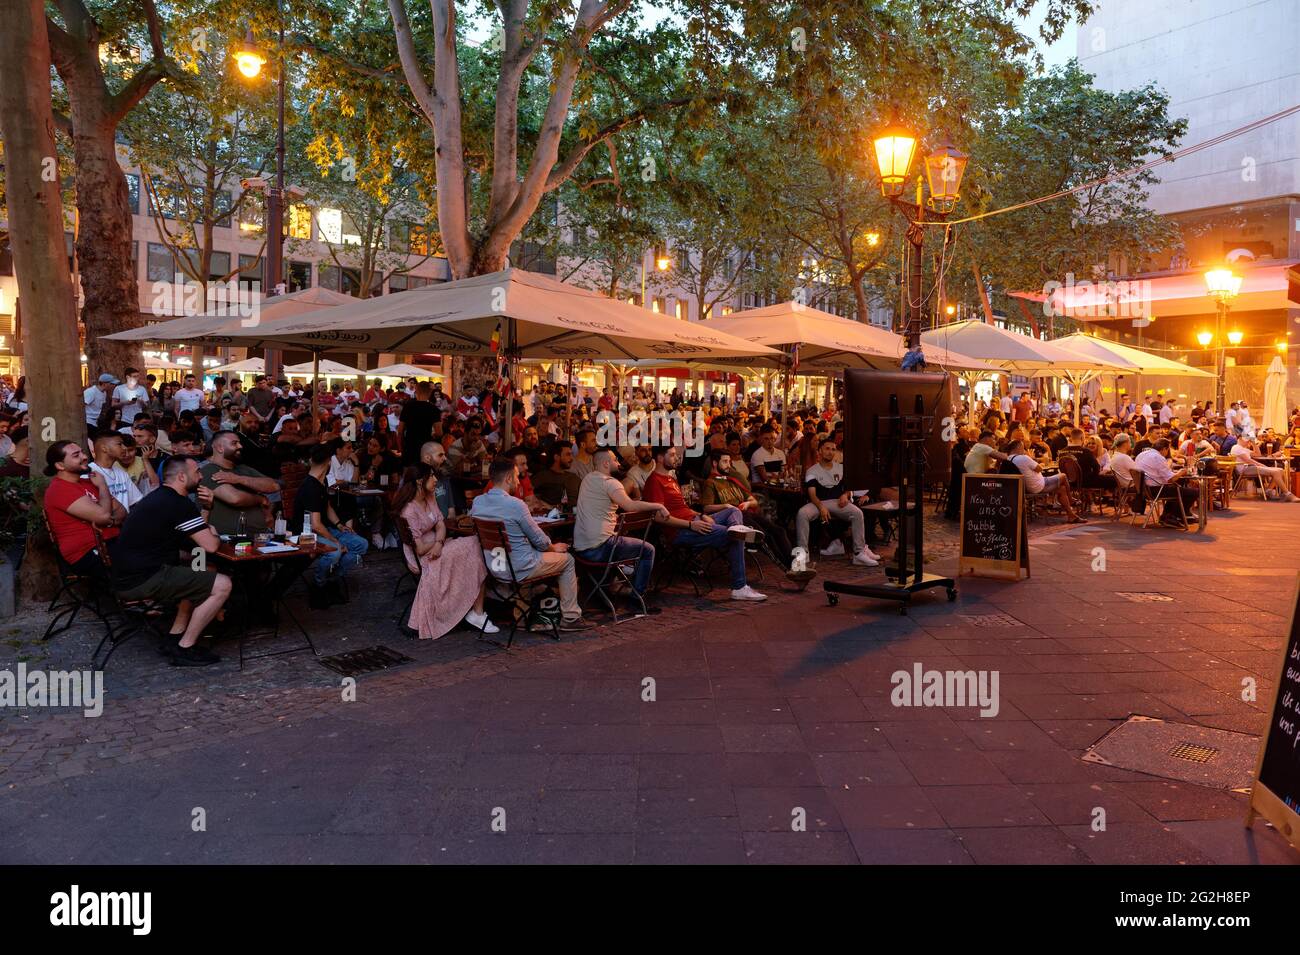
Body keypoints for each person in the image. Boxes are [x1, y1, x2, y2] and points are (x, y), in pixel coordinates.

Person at [110, 456, 230, 666]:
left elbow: (194, 541)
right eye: (197, 473)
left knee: (200, 570)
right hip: (142, 579)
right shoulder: (178, 503)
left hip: (128, 576)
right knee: (222, 584)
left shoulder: (161, 497)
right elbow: (209, 545)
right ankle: (185, 647)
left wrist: (206, 509)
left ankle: (174, 637)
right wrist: (214, 533)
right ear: (182, 477)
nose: (201, 477)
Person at [470, 457, 591, 631]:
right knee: (568, 560)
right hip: (519, 568)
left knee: (525, 555)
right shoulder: (516, 505)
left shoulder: (478, 502)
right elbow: (540, 540)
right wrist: (553, 548)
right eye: (517, 476)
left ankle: (521, 617)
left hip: (495, 567)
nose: (519, 480)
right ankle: (571, 617)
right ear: (509, 478)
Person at [642, 444, 766, 601]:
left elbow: (683, 508)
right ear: (660, 458)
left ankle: (737, 528)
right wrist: (691, 524)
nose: (676, 458)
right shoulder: (654, 481)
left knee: (733, 511)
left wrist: (700, 514)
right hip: (681, 531)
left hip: (695, 520)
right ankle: (739, 587)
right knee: (736, 537)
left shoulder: (671, 478)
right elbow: (657, 517)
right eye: (672, 455)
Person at [393, 463, 497, 638]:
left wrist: (439, 542)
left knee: (474, 545)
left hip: (436, 544)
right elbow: (419, 549)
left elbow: (441, 524)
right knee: (474, 545)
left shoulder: (429, 496)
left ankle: (474, 610)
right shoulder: (409, 510)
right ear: (420, 481)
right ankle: (475, 611)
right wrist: (436, 544)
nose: (435, 480)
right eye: (431, 476)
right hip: (421, 555)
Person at [573, 448, 669, 609]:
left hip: (581, 548)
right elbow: (630, 506)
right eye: (614, 460)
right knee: (648, 550)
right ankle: (636, 600)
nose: (618, 462)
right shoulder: (610, 483)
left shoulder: (588, 479)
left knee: (619, 543)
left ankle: (605, 592)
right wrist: (658, 505)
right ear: (605, 463)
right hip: (600, 549)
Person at [293, 444, 370, 607]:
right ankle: (319, 584)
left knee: (361, 544)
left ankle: (331, 580)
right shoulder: (310, 487)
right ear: (328, 462)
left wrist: (340, 525)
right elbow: (315, 525)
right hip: (306, 535)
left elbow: (327, 507)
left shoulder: (323, 481)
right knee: (334, 552)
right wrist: (337, 542)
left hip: (325, 529)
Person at [42, 440, 126, 578]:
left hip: (112, 542)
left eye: (82, 451)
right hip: (86, 552)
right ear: (60, 465)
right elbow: (104, 516)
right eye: (76, 455)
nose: (84, 456)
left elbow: (122, 510)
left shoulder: (89, 482)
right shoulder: (59, 489)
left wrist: (110, 521)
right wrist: (103, 486)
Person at [701, 449, 794, 568]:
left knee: (780, 531)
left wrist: (748, 504)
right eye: (725, 462)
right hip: (733, 517)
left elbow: (754, 501)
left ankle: (794, 565)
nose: (728, 465)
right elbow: (706, 508)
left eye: (729, 462)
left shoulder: (731, 480)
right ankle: (788, 568)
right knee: (766, 536)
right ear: (714, 463)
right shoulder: (710, 482)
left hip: (746, 513)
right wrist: (726, 506)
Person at [796, 439, 880, 565]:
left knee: (857, 513)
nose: (830, 452)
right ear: (820, 451)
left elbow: (848, 488)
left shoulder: (841, 468)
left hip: (837, 502)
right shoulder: (812, 470)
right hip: (818, 502)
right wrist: (821, 507)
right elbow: (812, 494)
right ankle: (803, 554)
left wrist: (845, 495)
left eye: (833, 449)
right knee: (802, 513)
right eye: (827, 448)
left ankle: (859, 553)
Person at [199, 431, 280, 535]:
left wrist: (239, 479)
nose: (240, 446)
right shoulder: (208, 471)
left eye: (239, 443)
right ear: (220, 448)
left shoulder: (244, 469)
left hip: (262, 536)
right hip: (229, 541)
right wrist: (259, 499)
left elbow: (274, 486)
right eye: (234, 443)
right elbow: (235, 498)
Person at [1004, 439, 1085, 522]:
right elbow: (1039, 469)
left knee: (1062, 489)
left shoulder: (1008, 459)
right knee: (1063, 476)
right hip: (1038, 485)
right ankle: (1071, 500)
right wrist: (1031, 458)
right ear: (1019, 447)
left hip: (1027, 487)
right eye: (1023, 447)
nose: (1024, 449)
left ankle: (1071, 516)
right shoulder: (1023, 458)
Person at [1132, 438, 1200, 526]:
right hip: (1155, 490)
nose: (1168, 452)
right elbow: (1170, 479)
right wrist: (1181, 473)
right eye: (1168, 450)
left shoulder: (1142, 454)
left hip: (1143, 489)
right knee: (1194, 492)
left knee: (1177, 487)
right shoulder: (1158, 457)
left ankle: (1170, 515)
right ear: (1164, 449)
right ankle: (1175, 515)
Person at [88, 431, 144, 511]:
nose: (124, 448)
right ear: (104, 448)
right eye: (119, 444)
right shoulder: (88, 474)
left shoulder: (121, 473)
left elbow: (137, 501)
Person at [1230, 437, 1297, 501]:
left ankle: (1268, 491)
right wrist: (1262, 465)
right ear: (1240, 439)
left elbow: (1258, 454)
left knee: (1281, 470)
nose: (1248, 441)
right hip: (1245, 469)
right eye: (1247, 439)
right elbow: (1248, 460)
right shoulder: (1236, 447)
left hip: (1250, 467)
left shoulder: (1244, 449)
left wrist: (1253, 443)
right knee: (1276, 472)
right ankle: (1287, 494)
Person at [399, 381, 439, 466]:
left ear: (416, 391)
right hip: (426, 447)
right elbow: (439, 432)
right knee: (424, 473)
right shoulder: (433, 409)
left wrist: (401, 448)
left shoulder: (407, 407)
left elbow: (400, 431)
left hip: (409, 446)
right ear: (429, 392)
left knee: (409, 474)